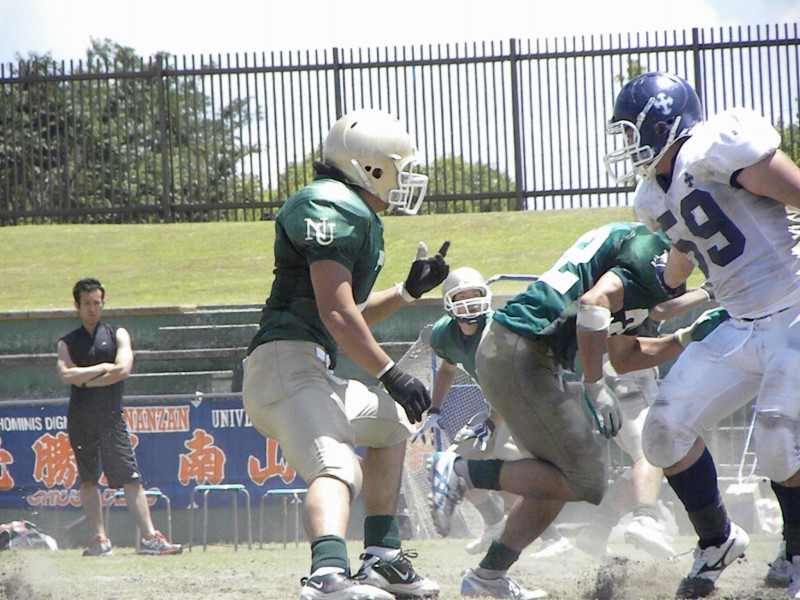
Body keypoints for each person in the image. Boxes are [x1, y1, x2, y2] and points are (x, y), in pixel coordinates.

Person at [604, 71, 800, 599]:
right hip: (740, 323)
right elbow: (686, 247)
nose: (627, 145)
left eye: (631, 132)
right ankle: (718, 540)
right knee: (664, 432)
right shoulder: (652, 194)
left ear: (662, 123)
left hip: (794, 310)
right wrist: (657, 290)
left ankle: (798, 553)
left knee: (778, 441)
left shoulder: (717, 145)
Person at [430, 221, 701, 598]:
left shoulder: (647, 259)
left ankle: (489, 574)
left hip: (528, 352)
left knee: (558, 478)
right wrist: (594, 384)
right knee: (586, 478)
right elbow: (593, 305)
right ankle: (462, 471)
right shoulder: (647, 247)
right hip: (524, 347)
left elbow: (625, 355)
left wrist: (687, 336)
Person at [241, 109, 446, 600]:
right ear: (369, 167)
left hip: (309, 367)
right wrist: (390, 371)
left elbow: (347, 312)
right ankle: (327, 574)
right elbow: (336, 314)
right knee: (337, 467)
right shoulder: (329, 203)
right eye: (397, 168)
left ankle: (382, 557)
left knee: (392, 424)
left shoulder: (356, 213)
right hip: (285, 366)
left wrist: (407, 292)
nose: (404, 179)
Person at [56, 278, 182, 557]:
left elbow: (123, 369)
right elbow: (66, 374)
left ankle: (150, 538)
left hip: (111, 417)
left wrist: (85, 380)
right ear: (77, 305)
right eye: (86, 303)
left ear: (103, 303)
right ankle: (100, 539)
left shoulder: (117, 334)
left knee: (130, 477)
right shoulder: (68, 341)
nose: (92, 308)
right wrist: (102, 367)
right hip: (81, 418)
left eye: (96, 303)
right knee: (88, 479)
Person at [412, 267, 528, 556]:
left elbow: (512, 387)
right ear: (448, 302)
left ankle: (548, 537)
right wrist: (434, 410)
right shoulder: (444, 333)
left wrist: (491, 422)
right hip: (497, 409)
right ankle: (495, 523)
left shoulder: (497, 331)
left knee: (511, 473)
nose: (468, 304)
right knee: (454, 466)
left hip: (525, 407)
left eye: (473, 296)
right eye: (460, 297)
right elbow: (447, 368)